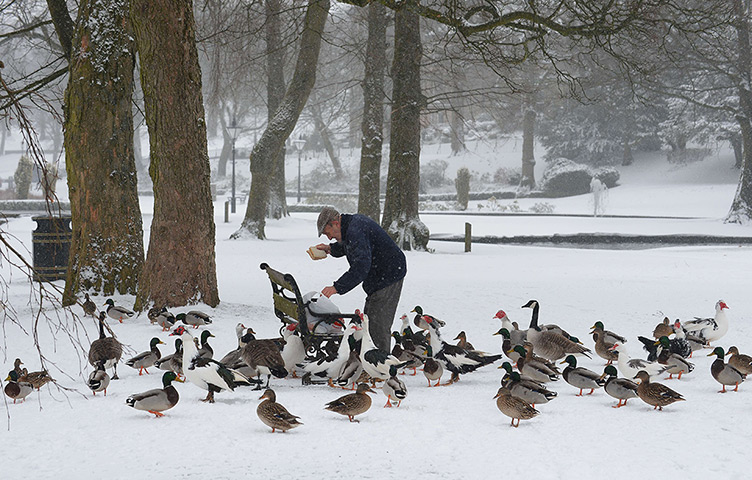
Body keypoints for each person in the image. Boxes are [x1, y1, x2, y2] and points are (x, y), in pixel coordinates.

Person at [314, 206, 406, 351]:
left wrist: (337, 287)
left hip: (389, 275)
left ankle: (381, 367)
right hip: (378, 276)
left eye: (327, 233)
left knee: (378, 326)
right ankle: (370, 360)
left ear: (335, 223)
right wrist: (331, 249)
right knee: (369, 322)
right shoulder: (350, 226)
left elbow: (361, 267)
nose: (329, 237)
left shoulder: (356, 230)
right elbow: (349, 246)